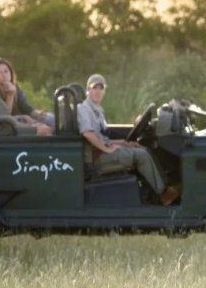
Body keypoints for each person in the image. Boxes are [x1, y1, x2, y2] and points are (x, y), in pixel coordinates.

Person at [77, 73, 180, 206]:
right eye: (94, 88)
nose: (97, 91)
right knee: (141, 155)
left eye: (100, 88)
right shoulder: (83, 109)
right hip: (96, 159)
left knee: (141, 148)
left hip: (102, 152)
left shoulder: (97, 110)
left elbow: (103, 137)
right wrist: (107, 149)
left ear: (104, 91)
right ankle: (163, 194)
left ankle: (162, 188)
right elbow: (88, 134)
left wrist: (125, 143)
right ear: (88, 90)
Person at [0, 59, 52, 136]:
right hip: (4, 131)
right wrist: (29, 127)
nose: (1, 76)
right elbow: (5, 118)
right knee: (45, 130)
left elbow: (6, 115)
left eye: (6, 71)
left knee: (44, 124)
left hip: (7, 127)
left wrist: (24, 119)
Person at [0, 57, 56, 131]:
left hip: (23, 118)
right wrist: (10, 94)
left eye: (6, 71)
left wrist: (38, 113)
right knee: (44, 129)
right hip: (12, 123)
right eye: (0, 72)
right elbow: (5, 116)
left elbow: (26, 107)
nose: (4, 75)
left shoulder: (16, 87)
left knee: (51, 119)